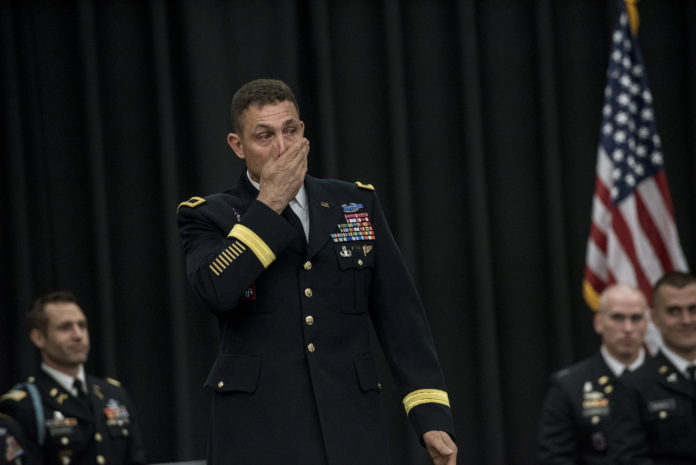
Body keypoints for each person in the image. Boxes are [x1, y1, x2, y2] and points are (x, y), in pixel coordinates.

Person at [176, 78, 457, 465]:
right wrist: (269, 204)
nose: (282, 147)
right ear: (237, 146)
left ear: (303, 132)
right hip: (257, 428)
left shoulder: (355, 203)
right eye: (264, 136)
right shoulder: (208, 214)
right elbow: (214, 290)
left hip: (349, 421)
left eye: (290, 131)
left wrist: (430, 415)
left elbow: (401, 318)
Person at [0, 291, 146, 465]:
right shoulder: (24, 405)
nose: (78, 335)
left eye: (82, 325)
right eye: (65, 327)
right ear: (39, 338)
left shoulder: (114, 395)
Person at [537, 283, 648, 464]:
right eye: (618, 318)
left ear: (647, 324)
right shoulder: (569, 385)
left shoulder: (668, 381)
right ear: (599, 323)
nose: (628, 328)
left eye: (636, 318)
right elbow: (555, 457)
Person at [610, 271, 696, 464]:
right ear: (654, 318)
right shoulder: (633, 386)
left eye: (693, 309)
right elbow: (628, 459)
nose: (687, 320)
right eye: (674, 311)